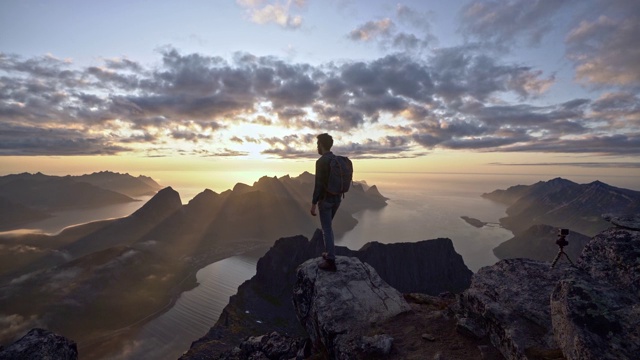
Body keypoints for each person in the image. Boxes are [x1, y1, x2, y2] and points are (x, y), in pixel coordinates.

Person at [310, 133, 341, 272]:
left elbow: (319, 185)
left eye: (317, 144)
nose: (317, 147)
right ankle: (329, 253)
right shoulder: (336, 159)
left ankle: (331, 260)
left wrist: (313, 204)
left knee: (327, 229)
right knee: (328, 228)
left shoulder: (321, 161)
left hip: (326, 200)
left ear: (321, 145)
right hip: (337, 199)